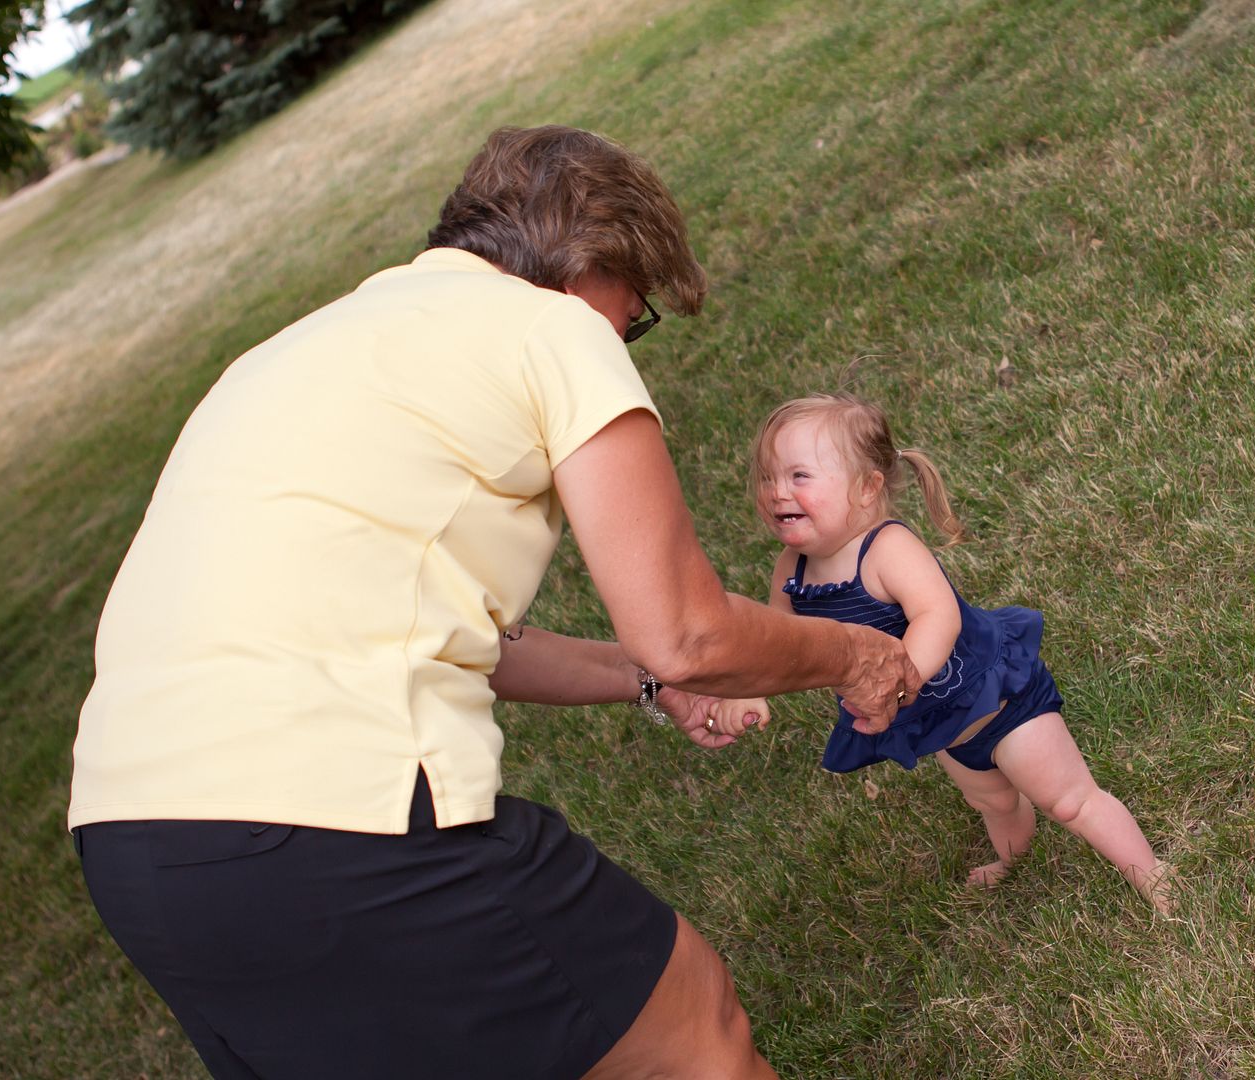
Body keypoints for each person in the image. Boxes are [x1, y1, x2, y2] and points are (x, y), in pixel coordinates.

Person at [67, 126, 919, 1080]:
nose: (624, 343)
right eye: (633, 320)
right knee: (694, 1033)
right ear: (589, 266)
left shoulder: (290, 355)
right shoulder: (546, 325)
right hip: (342, 829)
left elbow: (447, 635)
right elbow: (686, 630)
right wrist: (855, 655)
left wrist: (645, 682)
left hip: (141, 856)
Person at [724, 392, 1173, 912]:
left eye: (799, 476)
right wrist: (748, 691)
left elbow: (938, 615)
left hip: (998, 696)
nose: (778, 491)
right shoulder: (792, 569)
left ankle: (1153, 874)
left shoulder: (886, 548)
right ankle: (1013, 858)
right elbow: (778, 640)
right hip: (942, 724)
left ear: (867, 488)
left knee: (1067, 800)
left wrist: (895, 683)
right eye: (768, 477)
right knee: (992, 799)